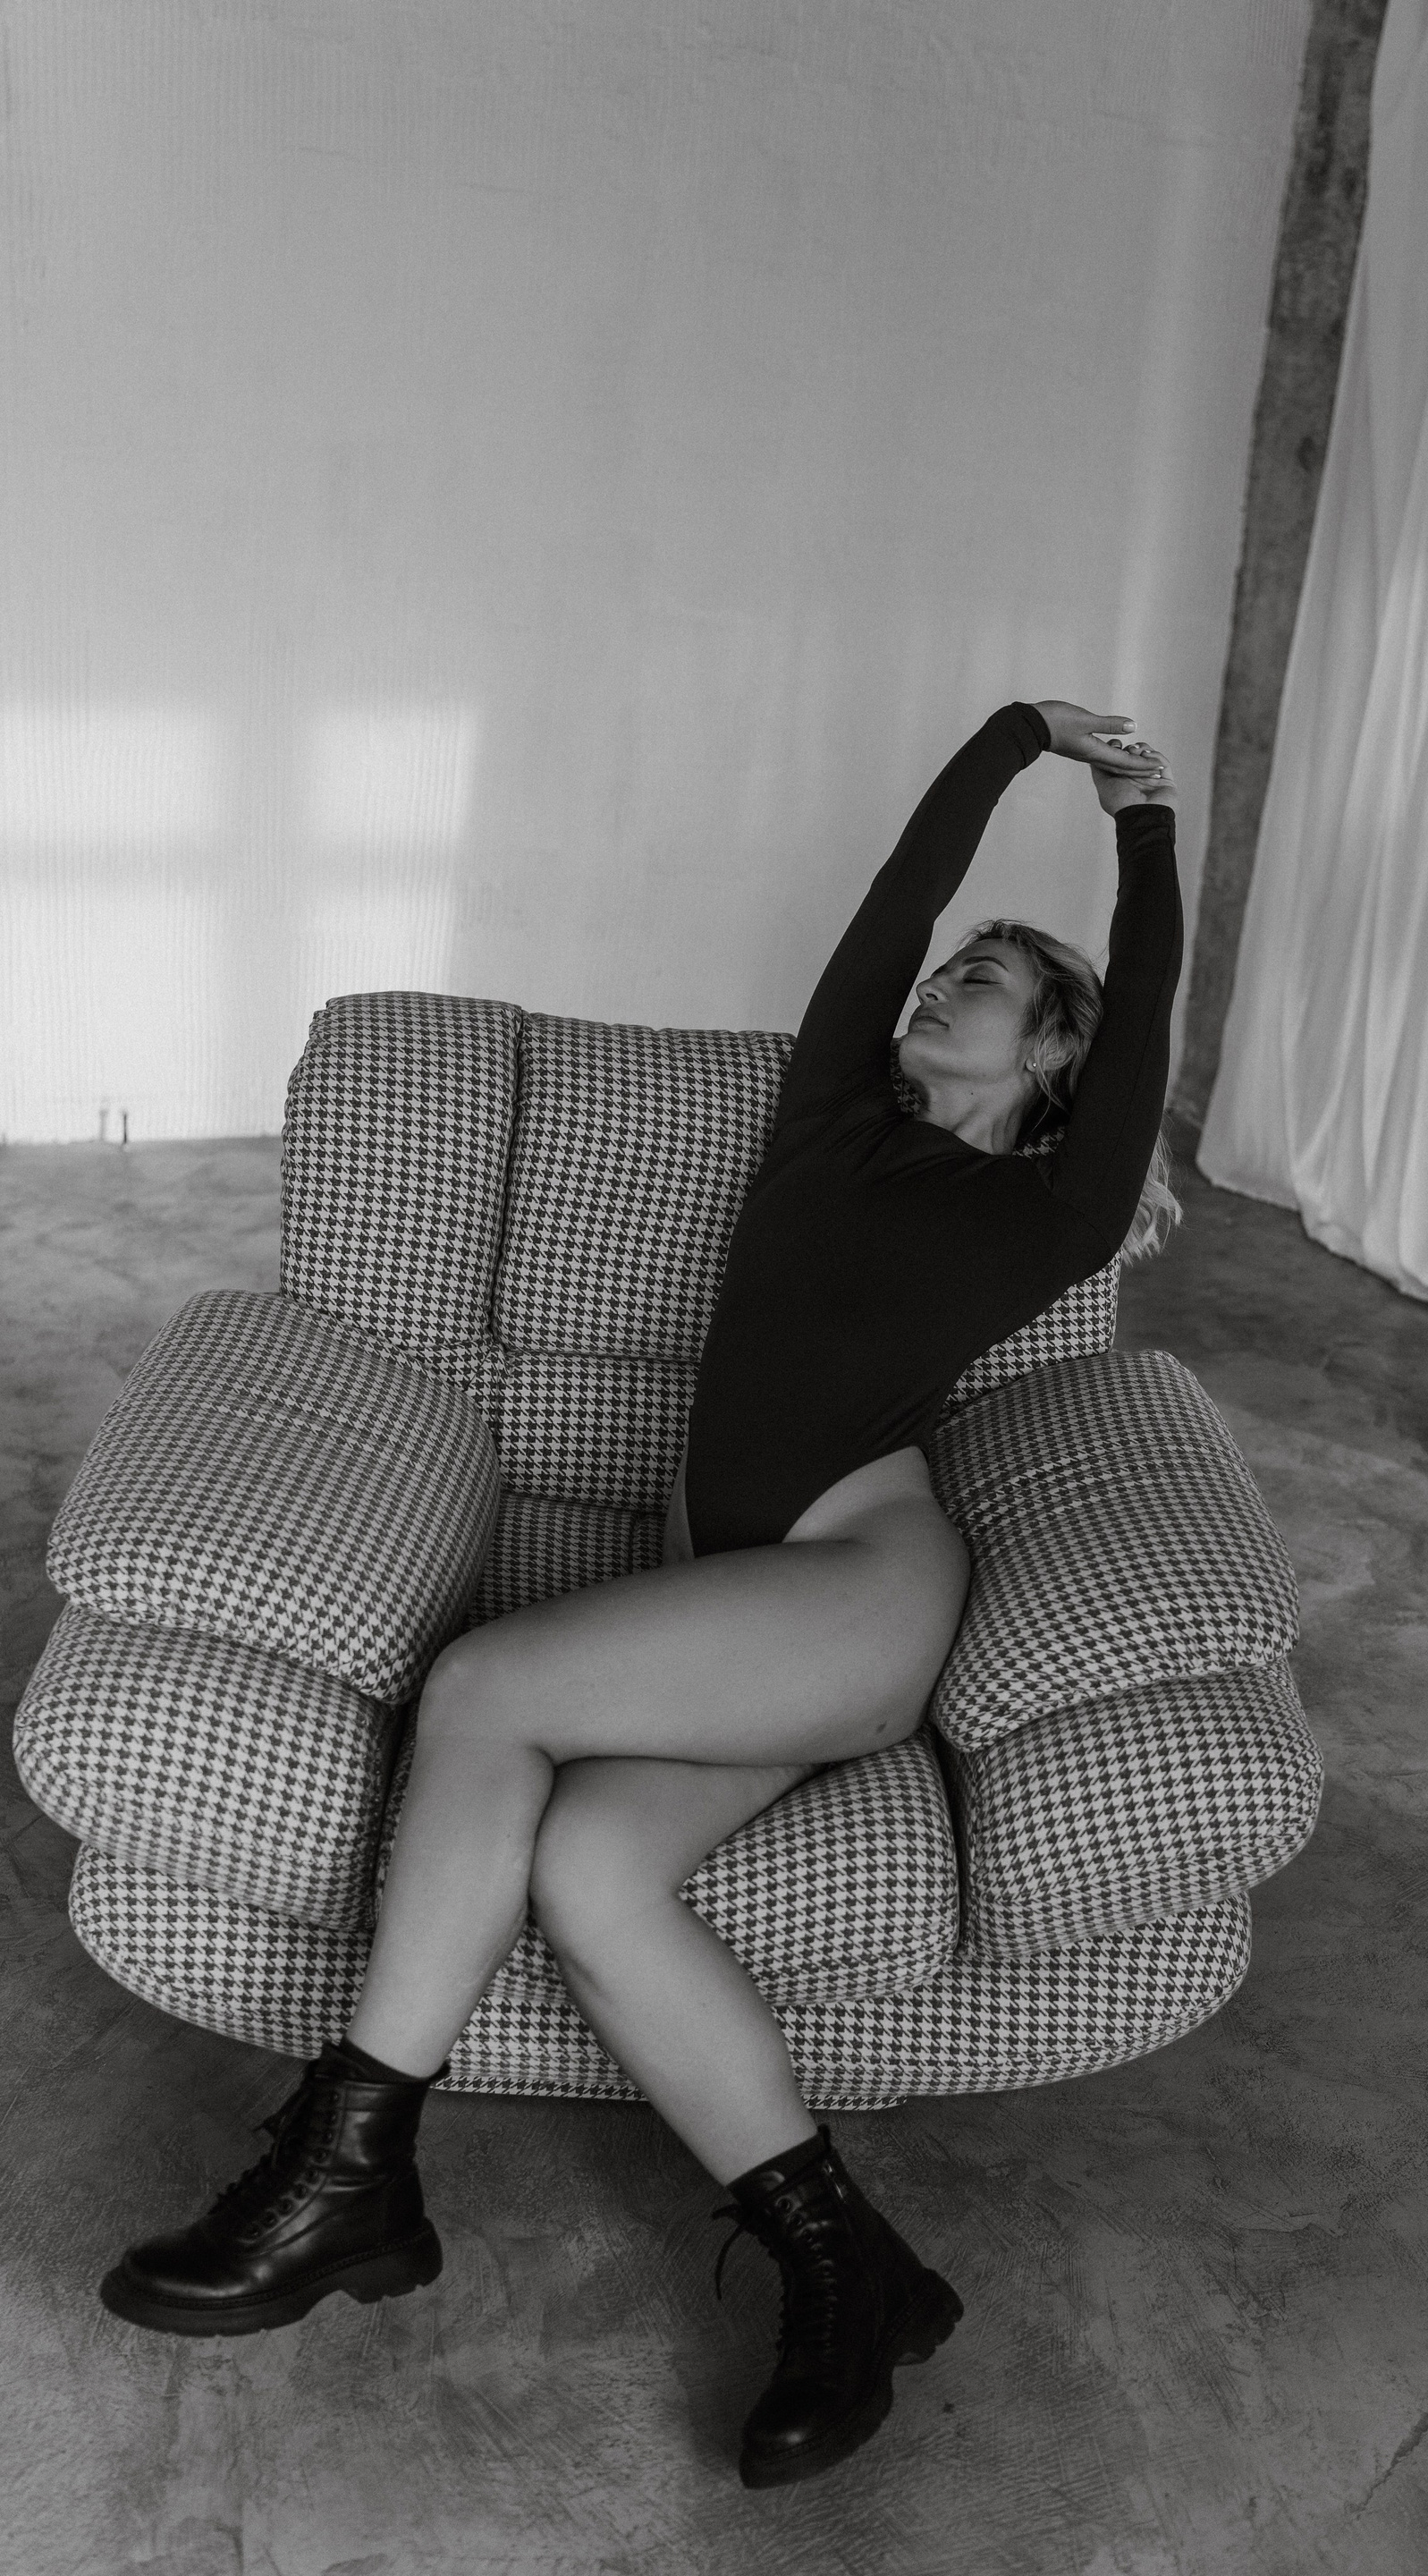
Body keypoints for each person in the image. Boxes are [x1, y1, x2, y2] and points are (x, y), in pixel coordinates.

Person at [98, 697, 1183, 2488]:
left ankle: (347, 2171)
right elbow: (888, 914)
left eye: (984, 982)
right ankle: (857, 2273)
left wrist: (1135, 817)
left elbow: (1144, 1011)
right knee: (591, 1870)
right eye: (948, 972)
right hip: (732, 1618)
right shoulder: (829, 1119)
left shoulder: (1047, 1214)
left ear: (1052, 1052)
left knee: (483, 1689)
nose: (939, 988)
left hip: (851, 1589)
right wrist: (1002, 743)